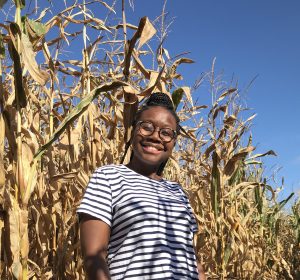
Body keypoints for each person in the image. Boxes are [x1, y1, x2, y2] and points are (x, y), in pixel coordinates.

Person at [77, 92, 206, 280]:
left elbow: (191, 260)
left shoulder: (178, 192)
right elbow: (94, 258)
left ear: (173, 142)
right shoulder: (109, 177)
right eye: (147, 127)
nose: (155, 136)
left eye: (166, 132)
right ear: (133, 130)